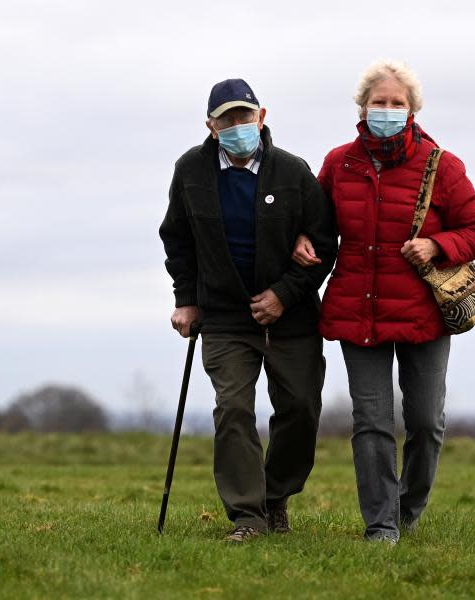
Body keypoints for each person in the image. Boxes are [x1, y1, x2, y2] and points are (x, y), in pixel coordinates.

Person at [292, 60, 475, 544]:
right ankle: (380, 524)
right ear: (363, 107)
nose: (386, 110)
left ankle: (408, 509)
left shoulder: (442, 165)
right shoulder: (339, 163)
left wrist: (437, 245)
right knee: (372, 423)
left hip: (424, 314)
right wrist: (302, 237)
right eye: (378, 102)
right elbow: (320, 225)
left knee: (425, 422)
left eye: (396, 103)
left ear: (412, 109)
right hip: (357, 311)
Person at [160, 78, 337, 543]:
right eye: (227, 119)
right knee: (234, 409)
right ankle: (248, 518)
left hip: (292, 318)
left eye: (245, 116)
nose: (238, 126)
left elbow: (324, 242)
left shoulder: (293, 172)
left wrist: (284, 292)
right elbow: (175, 238)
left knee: (300, 409)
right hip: (223, 317)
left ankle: (275, 494)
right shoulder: (191, 171)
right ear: (211, 126)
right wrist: (186, 298)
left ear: (262, 117)